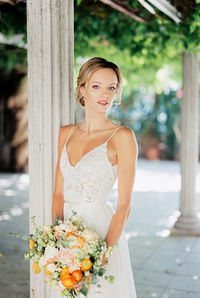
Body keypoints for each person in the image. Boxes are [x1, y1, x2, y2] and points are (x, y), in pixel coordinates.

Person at [51, 57, 138, 297]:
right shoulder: (65, 134)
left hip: (101, 232)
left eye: (112, 87)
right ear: (83, 89)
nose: (105, 94)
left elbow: (124, 206)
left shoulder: (122, 137)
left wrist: (102, 254)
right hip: (66, 232)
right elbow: (58, 193)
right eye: (97, 86)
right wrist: (56, 240)